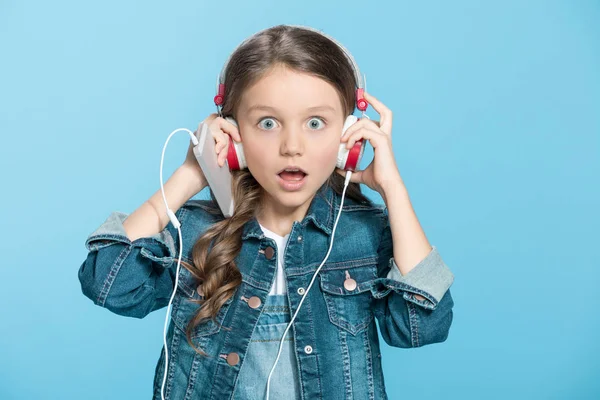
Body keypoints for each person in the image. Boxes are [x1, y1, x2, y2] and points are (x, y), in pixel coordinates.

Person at [78, 24, 455, 400]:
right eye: (268, 123)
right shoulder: (195, 230)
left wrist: (394, 190)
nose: (292, 146)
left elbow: (422, 325)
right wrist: (193, 172)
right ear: (232, 135)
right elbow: (109, 283)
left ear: (349, 137)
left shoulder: (364, 234)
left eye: (315, 123)